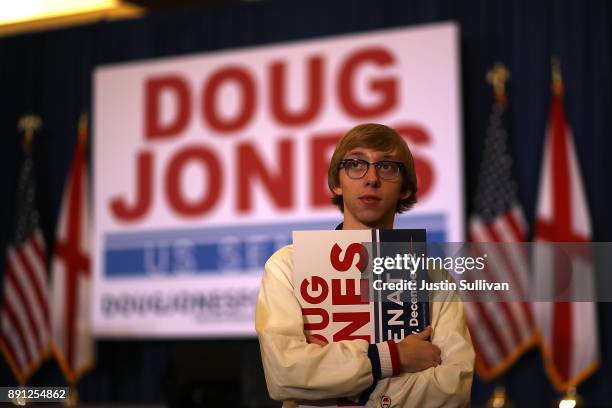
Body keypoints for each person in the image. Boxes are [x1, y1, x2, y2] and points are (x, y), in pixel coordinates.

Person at [255, 123, 474, 407]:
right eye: (356, 164)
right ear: (336, 182)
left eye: (387, 167)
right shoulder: (287, 265)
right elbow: (284, 374)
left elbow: (453, 390)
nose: (371, 178)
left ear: (405, 188)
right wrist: (394, 358)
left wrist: (335, 377)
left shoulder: (434, 276)